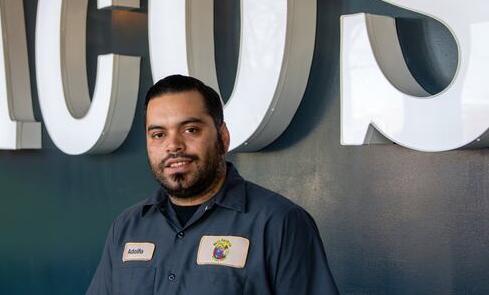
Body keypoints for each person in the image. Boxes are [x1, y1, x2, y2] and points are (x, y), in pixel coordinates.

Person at [86, 74, 339, 294]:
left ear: (223, 137)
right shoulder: (128, 227)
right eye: (159, 134)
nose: (173, 145)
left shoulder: (279, 223)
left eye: (190, 130)